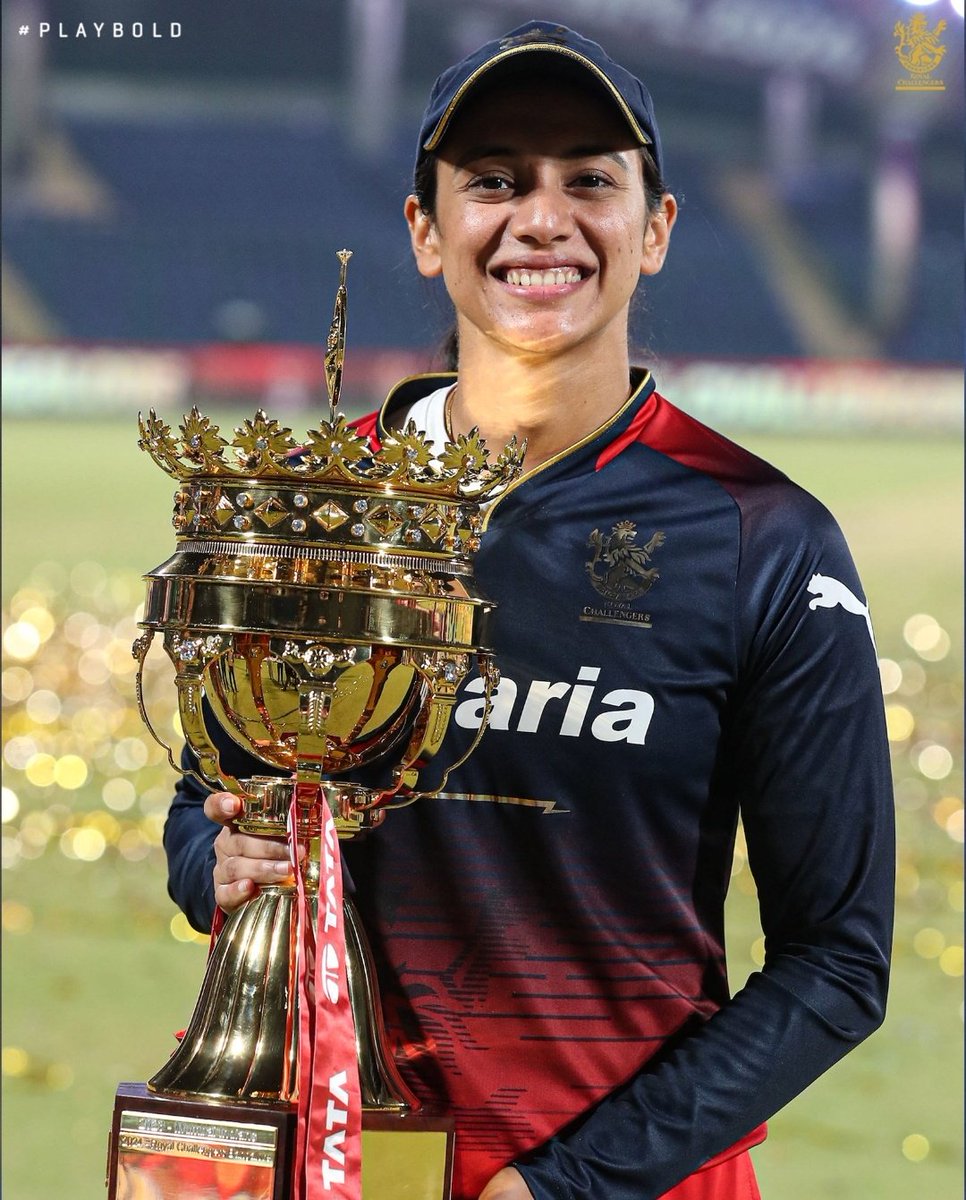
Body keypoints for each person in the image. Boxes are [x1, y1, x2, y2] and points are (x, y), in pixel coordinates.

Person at [164, 20, 895, 1200]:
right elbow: (198, 809)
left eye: (589, 180)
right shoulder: (316, 508)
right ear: (424, 230)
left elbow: (838, 964)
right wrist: (221, 858)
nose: (541, 218)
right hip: (336, 1163)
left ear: (655, 229)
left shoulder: (765, 536)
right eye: (494, 179)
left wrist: (562, 1185)